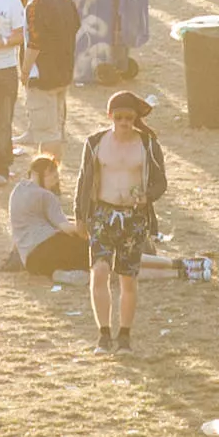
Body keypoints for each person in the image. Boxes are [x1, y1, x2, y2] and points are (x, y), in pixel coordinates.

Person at [76, 92, 166, 351]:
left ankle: (124, 335)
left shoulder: (147, 144)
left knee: (127, 279)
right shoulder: (95, 142)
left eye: (129, 117)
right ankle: (104, 334)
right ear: (109, 116)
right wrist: (80, 216)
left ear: (135, 117)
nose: (124, 122)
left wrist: (146, 196)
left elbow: (161, 182)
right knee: (100, 272)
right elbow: (84, 181)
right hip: (103, 215)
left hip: (133, 218)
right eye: (119, 117)